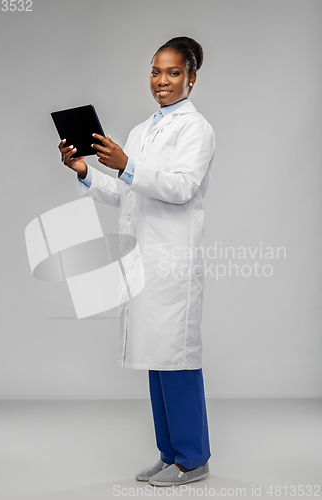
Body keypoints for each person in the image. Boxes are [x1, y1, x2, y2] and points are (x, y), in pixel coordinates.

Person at [58, 36, 215, 487]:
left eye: (172, 73)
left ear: (191, 78)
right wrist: (87, 172)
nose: (161, 81)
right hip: (142, 259)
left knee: (178, 360)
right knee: (156, 358)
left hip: (172, 261)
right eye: (155, 71)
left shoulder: (196, 128)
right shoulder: (142, 129)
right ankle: (169, 454)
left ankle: (193, 459)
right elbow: (129, 192)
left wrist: (127, 165)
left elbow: (181, 187)